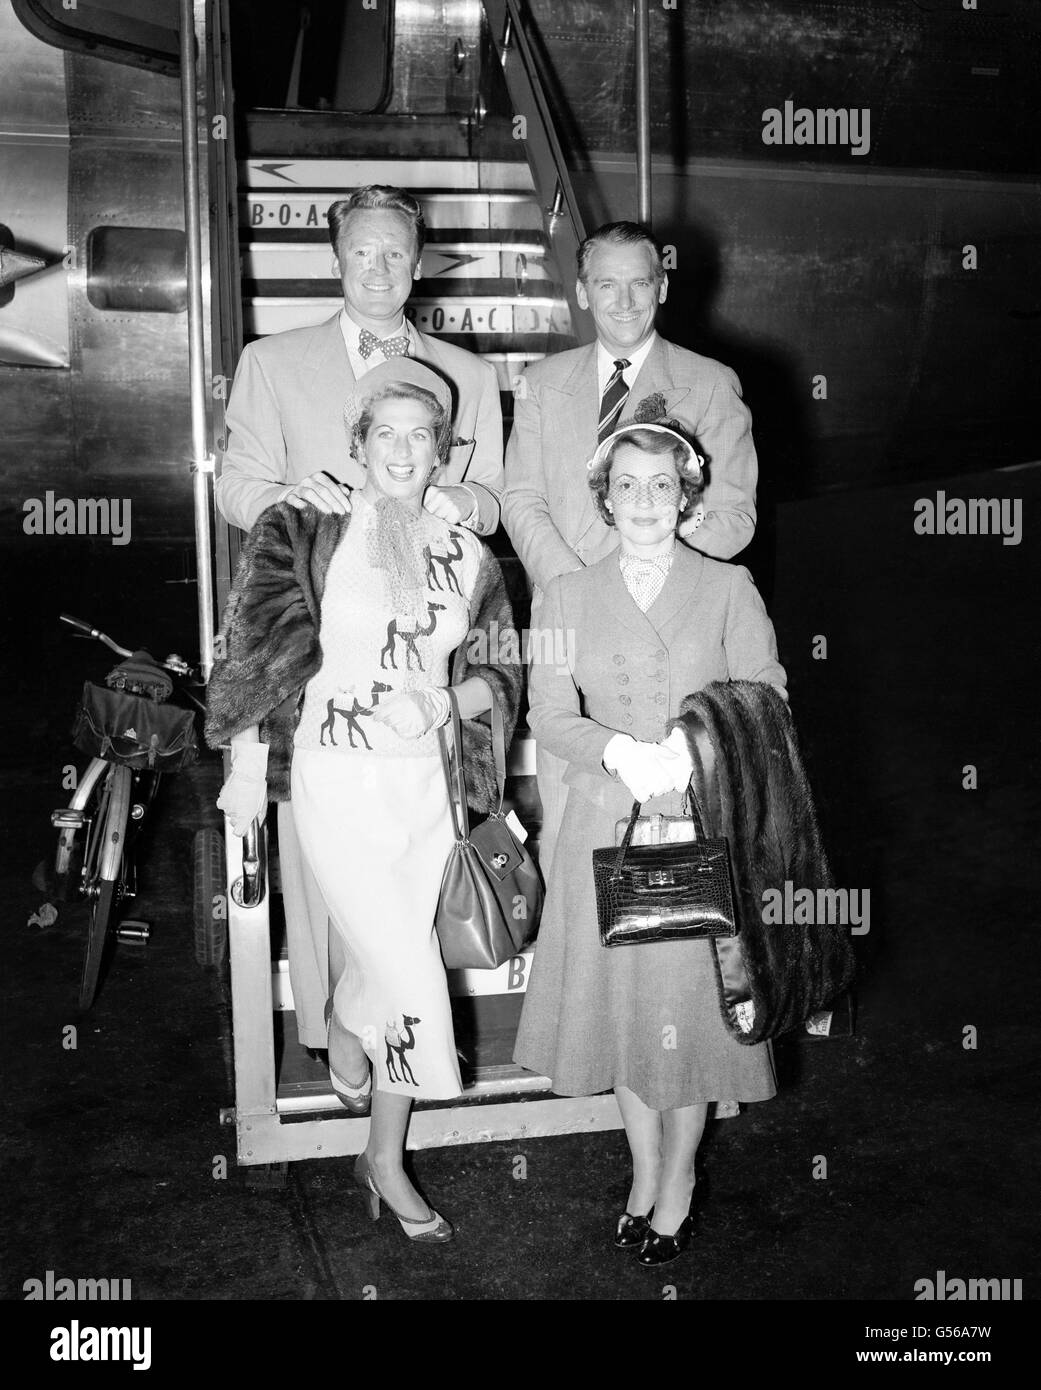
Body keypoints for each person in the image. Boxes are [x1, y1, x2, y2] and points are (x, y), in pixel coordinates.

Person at [206, 360, 522, 1242]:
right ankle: (386, 1157)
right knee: (414, 971)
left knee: (393, 960)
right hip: (334, 778)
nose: (402, 449)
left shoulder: (466, 551)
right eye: (384, 432)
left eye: (421, 434)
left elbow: (500, 673)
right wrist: (241, 771)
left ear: (444, 450)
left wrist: (444, 702)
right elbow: (255, 654)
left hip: (425, 786)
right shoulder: (306, 527)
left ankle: (348, 1029)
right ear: (356, 444)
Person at [215, 184, 505, 1053]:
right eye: (362, 252)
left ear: (418, 266)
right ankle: (339, 1025)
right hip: (321, 651)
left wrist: (441, 497)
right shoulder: (271, 361)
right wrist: (285, 498)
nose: (379, 268)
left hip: (419, 660)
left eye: (396, 254)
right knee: (325, 871)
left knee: (409, 870)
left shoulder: (470, 375)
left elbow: (492, 498)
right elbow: (235, 485)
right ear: (335, 260)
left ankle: (393, 1037)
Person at [513, 418, 784, 1267]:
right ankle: (642, 1170)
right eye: (625, 486)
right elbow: (548, 713)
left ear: (687, 496)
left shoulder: (728, 587)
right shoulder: (563, 595)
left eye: (661, 486)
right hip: (606, 827)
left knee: (688, 1019)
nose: (643, 502)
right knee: (625, 1017)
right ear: (602, 497)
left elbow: (768, 693)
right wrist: (614, 750)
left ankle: (680, 1184)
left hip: (700, 825)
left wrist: (699, 743)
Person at [500, 220, 758, 872]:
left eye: (637, 283)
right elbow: (521, 499)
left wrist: (657, 561)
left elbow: (733, 516)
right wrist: (576, 590)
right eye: (604, 284)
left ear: (662, 286)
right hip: (567, 625)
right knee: (571, 826)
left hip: (669, 636)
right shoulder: (539, 382)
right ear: (582, 292)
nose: (622, 300)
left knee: (676, 846)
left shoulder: (710, 382)